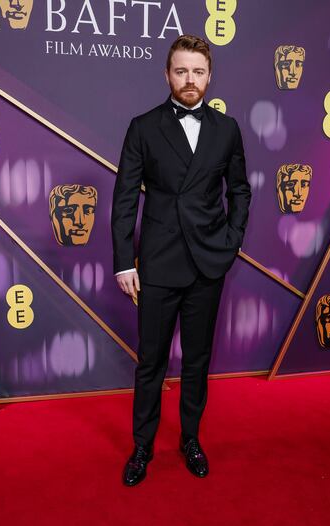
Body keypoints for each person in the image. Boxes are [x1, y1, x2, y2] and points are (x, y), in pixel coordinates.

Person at [111, 34, 251, 486]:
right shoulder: (143, 126)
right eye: (180, 71)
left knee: (197, 360)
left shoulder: (226, 129)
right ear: (167, 74)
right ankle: (142, 447)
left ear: (209, 75)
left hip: (209, 263)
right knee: (151, 361)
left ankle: (191, 439)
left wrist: (230, 242)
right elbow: (124, 199)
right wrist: (124, 262)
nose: (189, 80)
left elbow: (240, 191)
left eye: (198, 71)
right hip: (157, 262)